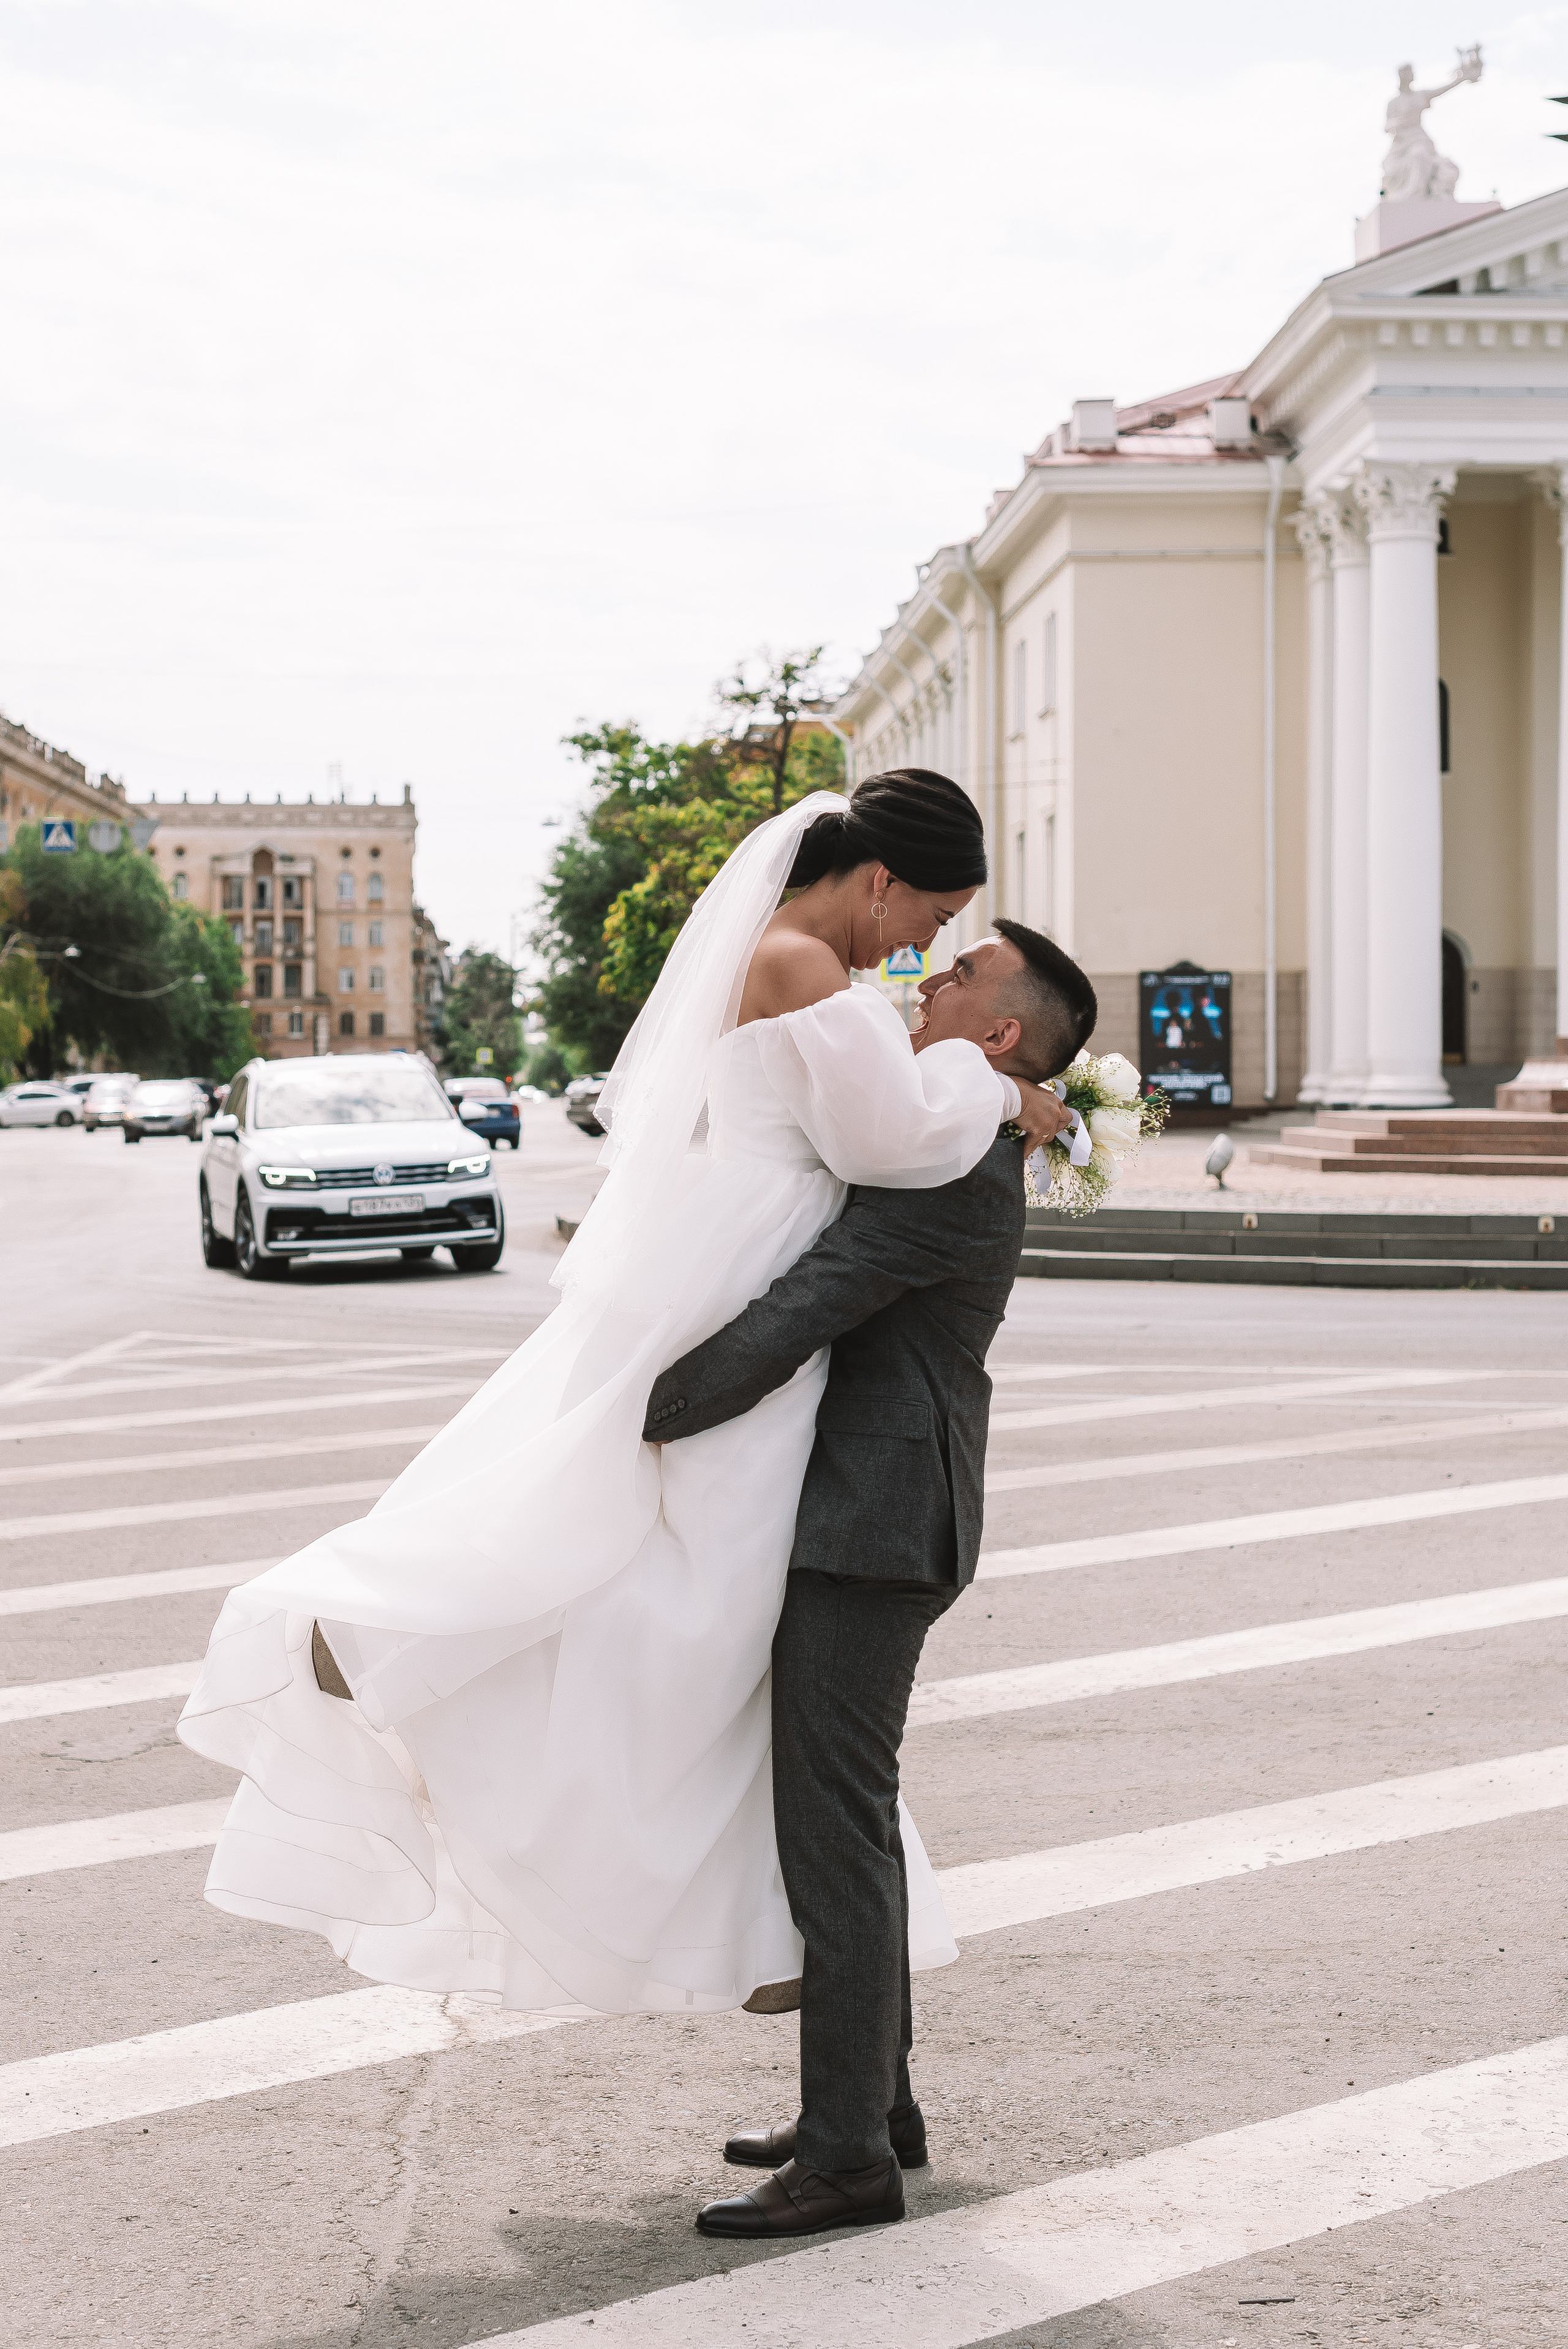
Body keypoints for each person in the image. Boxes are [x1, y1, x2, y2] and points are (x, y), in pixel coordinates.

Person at [178, 774, 1071, 2026]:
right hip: (744, 1270)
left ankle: (760, 1932)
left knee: (670, 1572)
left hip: (727, 1249)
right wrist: (1001, 1090)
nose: (923, 950)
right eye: (932, 915)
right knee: (687, 1589)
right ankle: (397, 1639)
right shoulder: (807, 964)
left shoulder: (809, 961)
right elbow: (885, 1150)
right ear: (877, 881)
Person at [639, 922, 1097, 2239]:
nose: (926, 980)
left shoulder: (951, 1164)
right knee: (851, 1821)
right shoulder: (957, 1127)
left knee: (832, 1834)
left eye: (956, 976)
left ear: (1000, 1033)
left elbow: (805, 1307)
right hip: (882, 1514)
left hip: (873, 1527)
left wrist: (638, 1410)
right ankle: (870, 2107)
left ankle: (844, 2160)